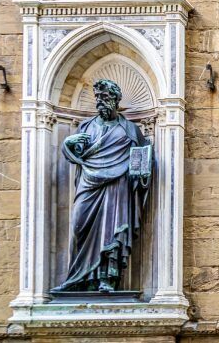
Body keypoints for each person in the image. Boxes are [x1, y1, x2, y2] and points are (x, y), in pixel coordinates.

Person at [52, 79, 151, 293]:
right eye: (98, 98)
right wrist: (67, 143)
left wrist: (142, 173)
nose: (100, 102)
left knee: (112, 232)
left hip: (117, 188)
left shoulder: (130, 130)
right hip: (88, 184)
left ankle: (108, 279)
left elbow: (143, 160)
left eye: (105, 98)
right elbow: (76, 155)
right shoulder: (85, 127)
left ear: (116, 100)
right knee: (79, 226)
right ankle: (79, 279)